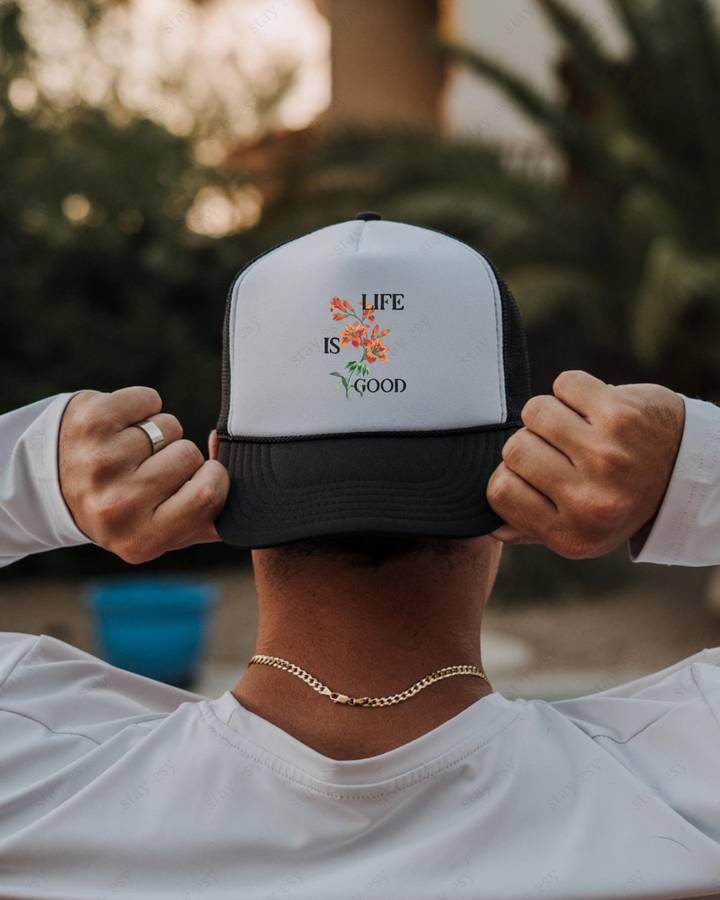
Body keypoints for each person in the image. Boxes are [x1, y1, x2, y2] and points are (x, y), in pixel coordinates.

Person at [1, 215, 719, 899]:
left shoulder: (39, 784)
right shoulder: (684, 791)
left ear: (220, 467)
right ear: (518, 477)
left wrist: (37, 475)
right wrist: (685, 471)